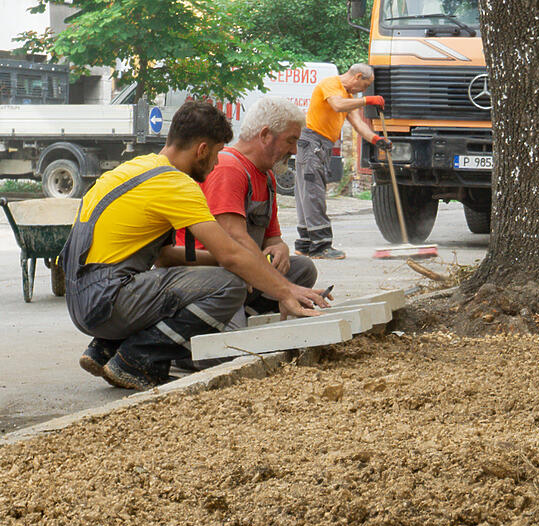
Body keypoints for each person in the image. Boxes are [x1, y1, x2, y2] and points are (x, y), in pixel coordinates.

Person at [61, 101, 329, 391]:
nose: (216, 164)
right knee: (228, 286)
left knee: (228, 276)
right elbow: (231, 253)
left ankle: (110, 347)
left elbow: (164, 257)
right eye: (215, 154)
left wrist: (235, 267)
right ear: (202, 150)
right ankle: (137, 359)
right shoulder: (175, 184)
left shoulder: (135, 170)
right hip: (107, 299)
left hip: (83, 297)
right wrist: (284, 290)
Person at [165, 96, 318, 318]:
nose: (294, 150)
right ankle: (231, 323)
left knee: (302, 268)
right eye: (290, 140)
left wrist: (281, 248)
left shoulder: (267, 177)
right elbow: (234, 241)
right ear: (265, 135)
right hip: (210, 272)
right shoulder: (229, 168)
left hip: (240, 267)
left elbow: (272, 238)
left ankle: (249, 314)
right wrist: (285, 290)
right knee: (236, 286)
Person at [294, 63, 392, 259]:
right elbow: (337, 105)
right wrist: (367, 100)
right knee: (312, 193)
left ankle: (305, 244)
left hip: (321, 145)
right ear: (357, 77)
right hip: (311, 142)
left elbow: (357, 124)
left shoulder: (349, 97)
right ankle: (320, 246)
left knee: (308, 193)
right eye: (365, 86)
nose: (364, 91)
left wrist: (376, 139)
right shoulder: (331, 84)